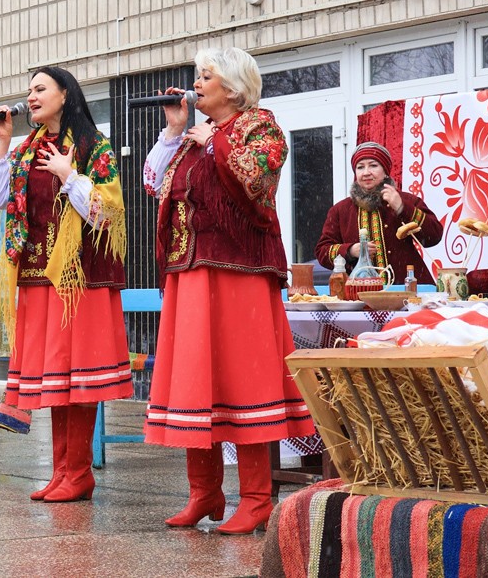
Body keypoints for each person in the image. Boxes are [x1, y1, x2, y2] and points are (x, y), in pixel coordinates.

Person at [142, 47, 315, 533]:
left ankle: (257, 498)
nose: (196, 83)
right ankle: (205, 492)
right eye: (197, 75)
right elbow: (155, 184)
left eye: (206, 75)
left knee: (246, 380)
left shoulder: (260, 124)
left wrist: (214, 142)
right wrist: (176, 130)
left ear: (234, 88)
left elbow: (259, 179)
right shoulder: (192, 137)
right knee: (199, 380)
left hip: (240, 273)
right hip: (191, 272)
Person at [0, 66, 132, 503]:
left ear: (65, 94)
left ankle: (78, 472)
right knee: (56, 381)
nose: (31, 97)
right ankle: (62, 471)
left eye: (40, 88)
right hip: (36, 275)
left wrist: (69, 174)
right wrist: (4, 142)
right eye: (29, 90)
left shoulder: (91, 145)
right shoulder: (28, 148)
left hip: (76, 278)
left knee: (76, 378)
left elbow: (109, 212)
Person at [315, 142, 444, 284]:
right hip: (359, 292)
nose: (366, 172)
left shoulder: (407, 200)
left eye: (373, 165)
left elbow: (434, 235)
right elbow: (322, 251)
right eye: (360, 167)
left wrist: (402, 208)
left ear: (385, 171)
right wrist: (350, 250)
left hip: (407, 290)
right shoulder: (341, 210)